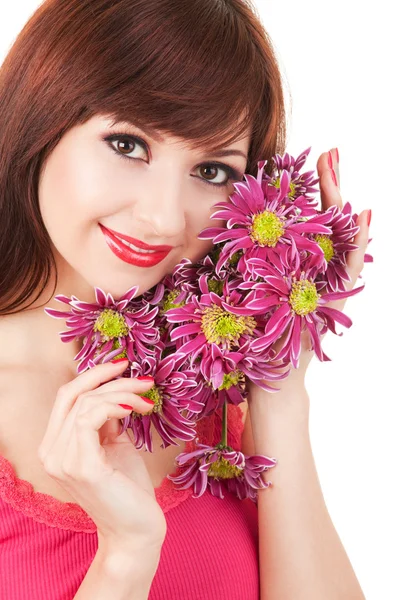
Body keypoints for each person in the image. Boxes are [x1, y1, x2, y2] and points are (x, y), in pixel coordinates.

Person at [0, 0, 368, 598]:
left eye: (213, 171)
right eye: (127, 145)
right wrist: (126, 555)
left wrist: (278, 385)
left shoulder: (215, 394)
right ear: (40, 117)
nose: (164, 218)